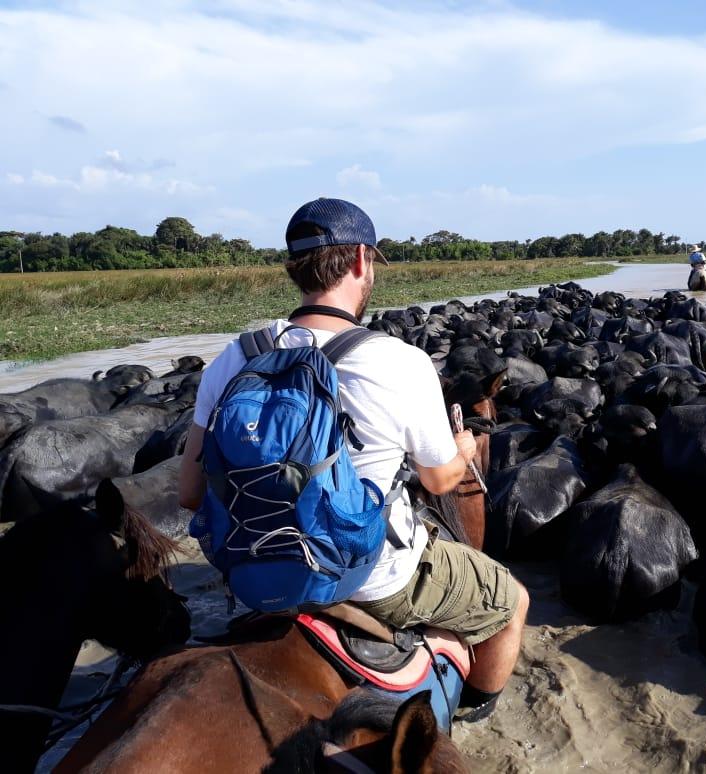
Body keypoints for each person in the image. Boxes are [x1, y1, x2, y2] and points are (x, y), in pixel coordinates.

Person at [179, 197, 529, 722]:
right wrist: (460, 450)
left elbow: (188, 493)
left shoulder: (235, 356)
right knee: (512, 601)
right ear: (363, 261)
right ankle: (473, 713)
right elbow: (437, 482)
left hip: (250, 568)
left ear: (293, 269)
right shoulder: (398, 361)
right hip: (373, 579)